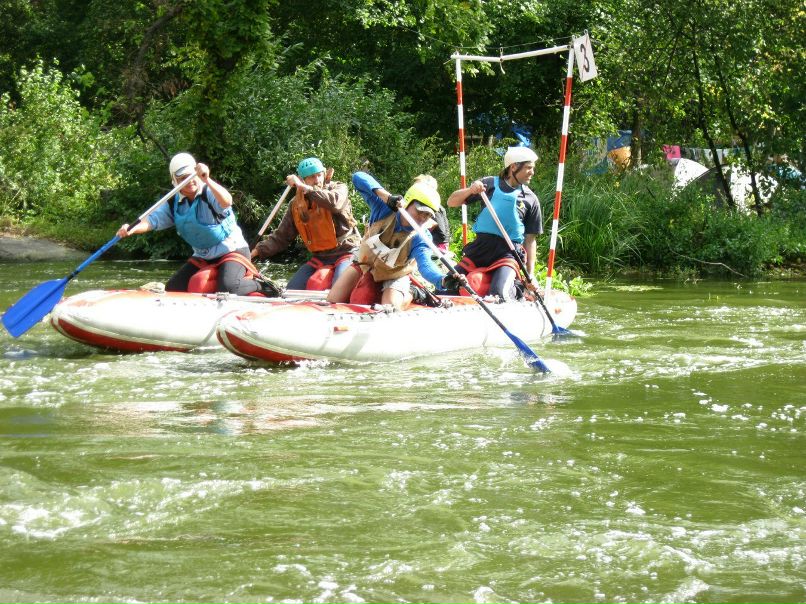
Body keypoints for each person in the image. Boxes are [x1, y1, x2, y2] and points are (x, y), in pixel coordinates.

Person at [117, 153, 277, 296]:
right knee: (173, 287)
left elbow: (227, 201)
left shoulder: (209, 192)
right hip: (203, 255)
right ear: (174, 181)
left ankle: (262, 285)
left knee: (228, 288)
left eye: (191, 176)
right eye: (182, 179)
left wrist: (206, 179)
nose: (189, 181)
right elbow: (151, 221)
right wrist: (131, 229)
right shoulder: (174, 201)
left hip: (232, 249)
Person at [327, 172, 455, 310]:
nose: (422, 218)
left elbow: (426, 266)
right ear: (408, 202)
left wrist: (442, 280)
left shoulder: (421, 237)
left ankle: (413, 292)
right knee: (334, 299)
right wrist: (386, 197)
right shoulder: (383, 209)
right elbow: (357, 177)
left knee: (390, 307)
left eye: (427, 215)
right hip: (364, 263)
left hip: (394, 274)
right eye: (419, 211)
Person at [446, 146, 542, 300]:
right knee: (449, 282)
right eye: (529, 168)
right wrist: (470, 190)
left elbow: (530, 241)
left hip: (508, 253)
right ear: (513, 167)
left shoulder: (531, 199)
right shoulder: (488, 185)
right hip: (481, 248)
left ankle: (518, 289)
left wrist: (530, 274)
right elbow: (451, 202)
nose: (532, 172)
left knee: (499, 294)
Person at [252, 157, 361, 290]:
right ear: (303, 179)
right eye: (311, 177)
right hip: (320, 257)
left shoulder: (338, 189)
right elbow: (281, 237)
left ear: (324, 173)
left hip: (346, 251)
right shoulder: (296, 204)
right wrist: (255, 252)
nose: (317, 180)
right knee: (292, 289)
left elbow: (334, 204)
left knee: (340, 287)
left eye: (319, 175)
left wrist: (305, 187)